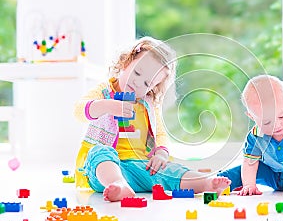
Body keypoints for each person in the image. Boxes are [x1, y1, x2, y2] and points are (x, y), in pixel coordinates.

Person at [74, 36, 230, 201]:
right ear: (126, 62)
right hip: (105, 171)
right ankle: (118, 184)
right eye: (137, 73)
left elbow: (160, 134)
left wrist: (161, 154)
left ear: (154, 86)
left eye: (147, 83)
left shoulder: (148, 104)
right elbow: (78, 110)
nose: (138, 83)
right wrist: (106, 106)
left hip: (141, 168)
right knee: (99, 152)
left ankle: (205, 183)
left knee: (168, 171)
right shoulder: (103, 91)